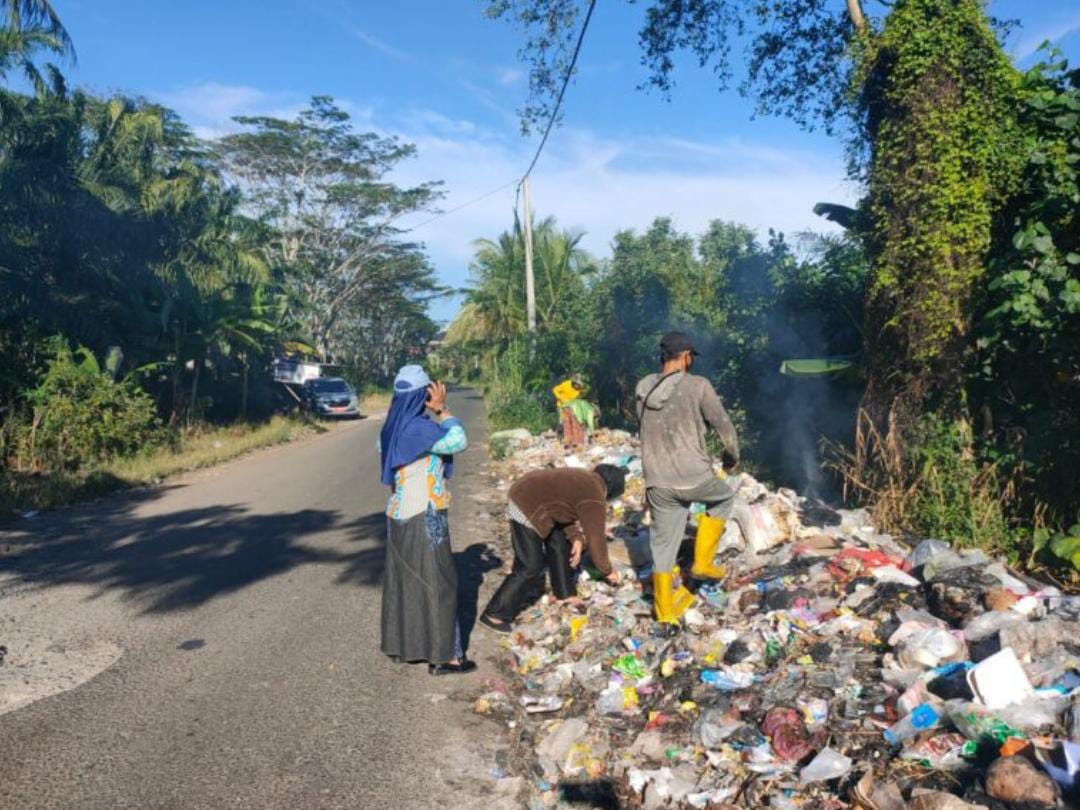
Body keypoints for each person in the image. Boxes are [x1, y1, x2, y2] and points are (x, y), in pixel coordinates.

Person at [635, 331, 740, 626]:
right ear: (684, 356)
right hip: (694, 475)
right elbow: (724, 427)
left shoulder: (643, 386)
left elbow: (645, 428)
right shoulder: (698, 385)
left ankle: (665, 614)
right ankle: (703, 562)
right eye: (690, 356)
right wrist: (731, 457)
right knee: (723, 498)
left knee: (663, 548)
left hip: (658, 479)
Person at [379, 364, 475, 675]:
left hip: (398, 515)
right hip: (426, 515)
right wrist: (442, 410)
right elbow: (457, 440)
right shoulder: (419, 428)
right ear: (423, 395)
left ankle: (403, 645)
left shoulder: (391, 428)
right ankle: (446, 656)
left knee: (405, 581)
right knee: (440, 583)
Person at [478, 464, 626, 633]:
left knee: (560, 543)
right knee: (530, 566)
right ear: (612, 491)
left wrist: (576, 538)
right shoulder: (595, 496)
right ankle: (494, 615)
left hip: (531, 494)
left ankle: (565, 593)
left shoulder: (586, 480)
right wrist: (607, 571)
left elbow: (562, 508)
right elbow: (596, 539)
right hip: (525, 504)